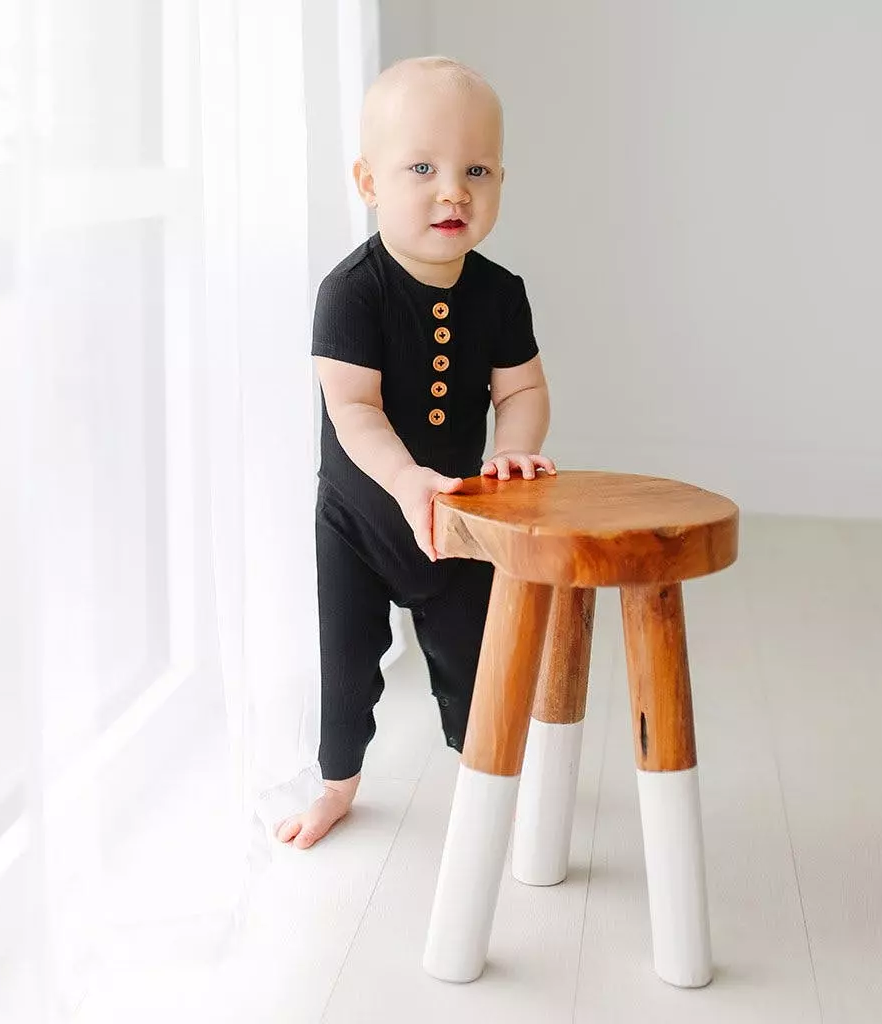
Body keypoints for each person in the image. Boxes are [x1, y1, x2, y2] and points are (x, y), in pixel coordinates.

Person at [277, 55, 555, 849]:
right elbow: (354, 409)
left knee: (477, 660)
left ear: (501, 180)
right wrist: (405, 481)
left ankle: (488, 777)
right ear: (369, 181)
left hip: (458, 520)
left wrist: (513, 453)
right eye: (423, 168)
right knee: (346, 665)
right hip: (361, 522)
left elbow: (523, 391)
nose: (453, 191)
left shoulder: (500, 293)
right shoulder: (351, 292)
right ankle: (336, 784)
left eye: (477, 170)